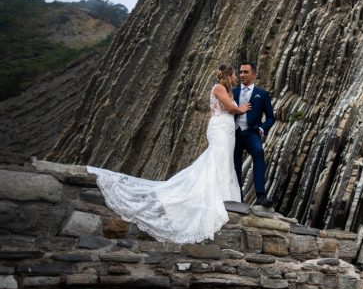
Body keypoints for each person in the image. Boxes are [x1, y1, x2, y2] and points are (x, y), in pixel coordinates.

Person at [87, 64, 251, 244]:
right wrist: (240, 109)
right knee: (217, 158)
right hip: (219, 128)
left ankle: (225, 195)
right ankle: (216, 195)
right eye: (235, 75)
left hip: (227, 130)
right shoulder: (218, 87)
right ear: (228, 76)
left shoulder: (229, 90)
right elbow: (229, 107)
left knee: (225, 160)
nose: (237, 78)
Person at [233, 61, 275, 214]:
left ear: (254, 74)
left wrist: (262, 129)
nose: (242, 75)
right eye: (241, 72)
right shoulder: (233, 91)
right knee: (234, 163)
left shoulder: (262, 94)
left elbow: (271, 118)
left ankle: (261, 195)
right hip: (235, 132)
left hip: (252, 132)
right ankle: (238, 197)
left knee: (259, 153)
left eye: (245, 72)